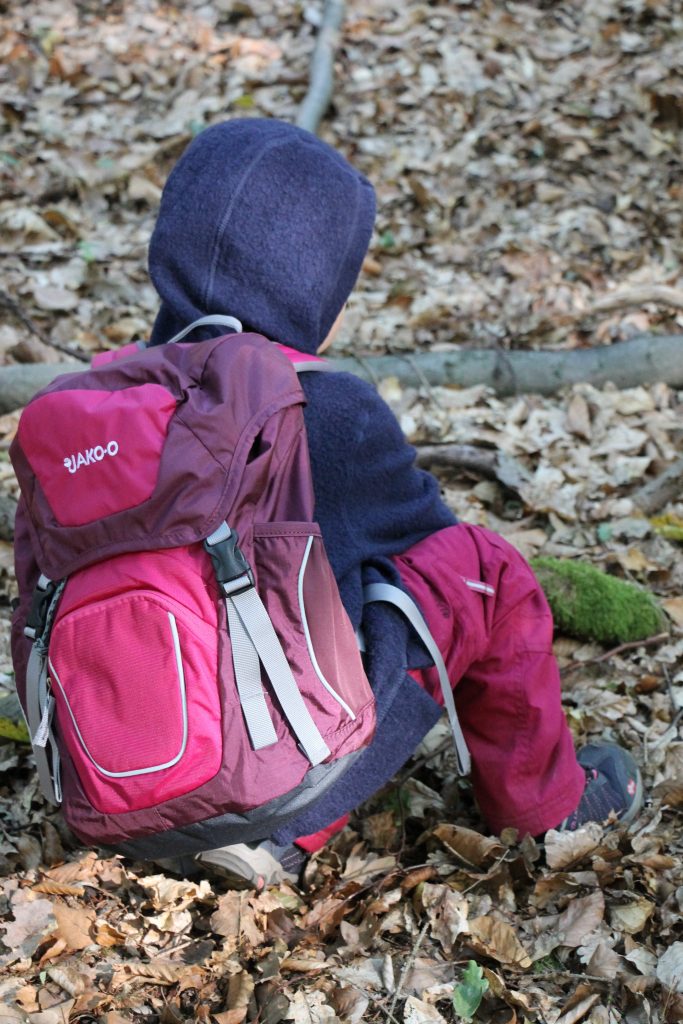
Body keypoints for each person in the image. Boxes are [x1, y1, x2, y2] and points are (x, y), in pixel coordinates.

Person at [146, 118, 643, 887]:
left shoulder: (97, 413)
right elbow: (428, 546)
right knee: (481, 572)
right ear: (315, 293)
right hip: (256, 791)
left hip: (116, 776)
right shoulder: (325, 412)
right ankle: (551, 809)